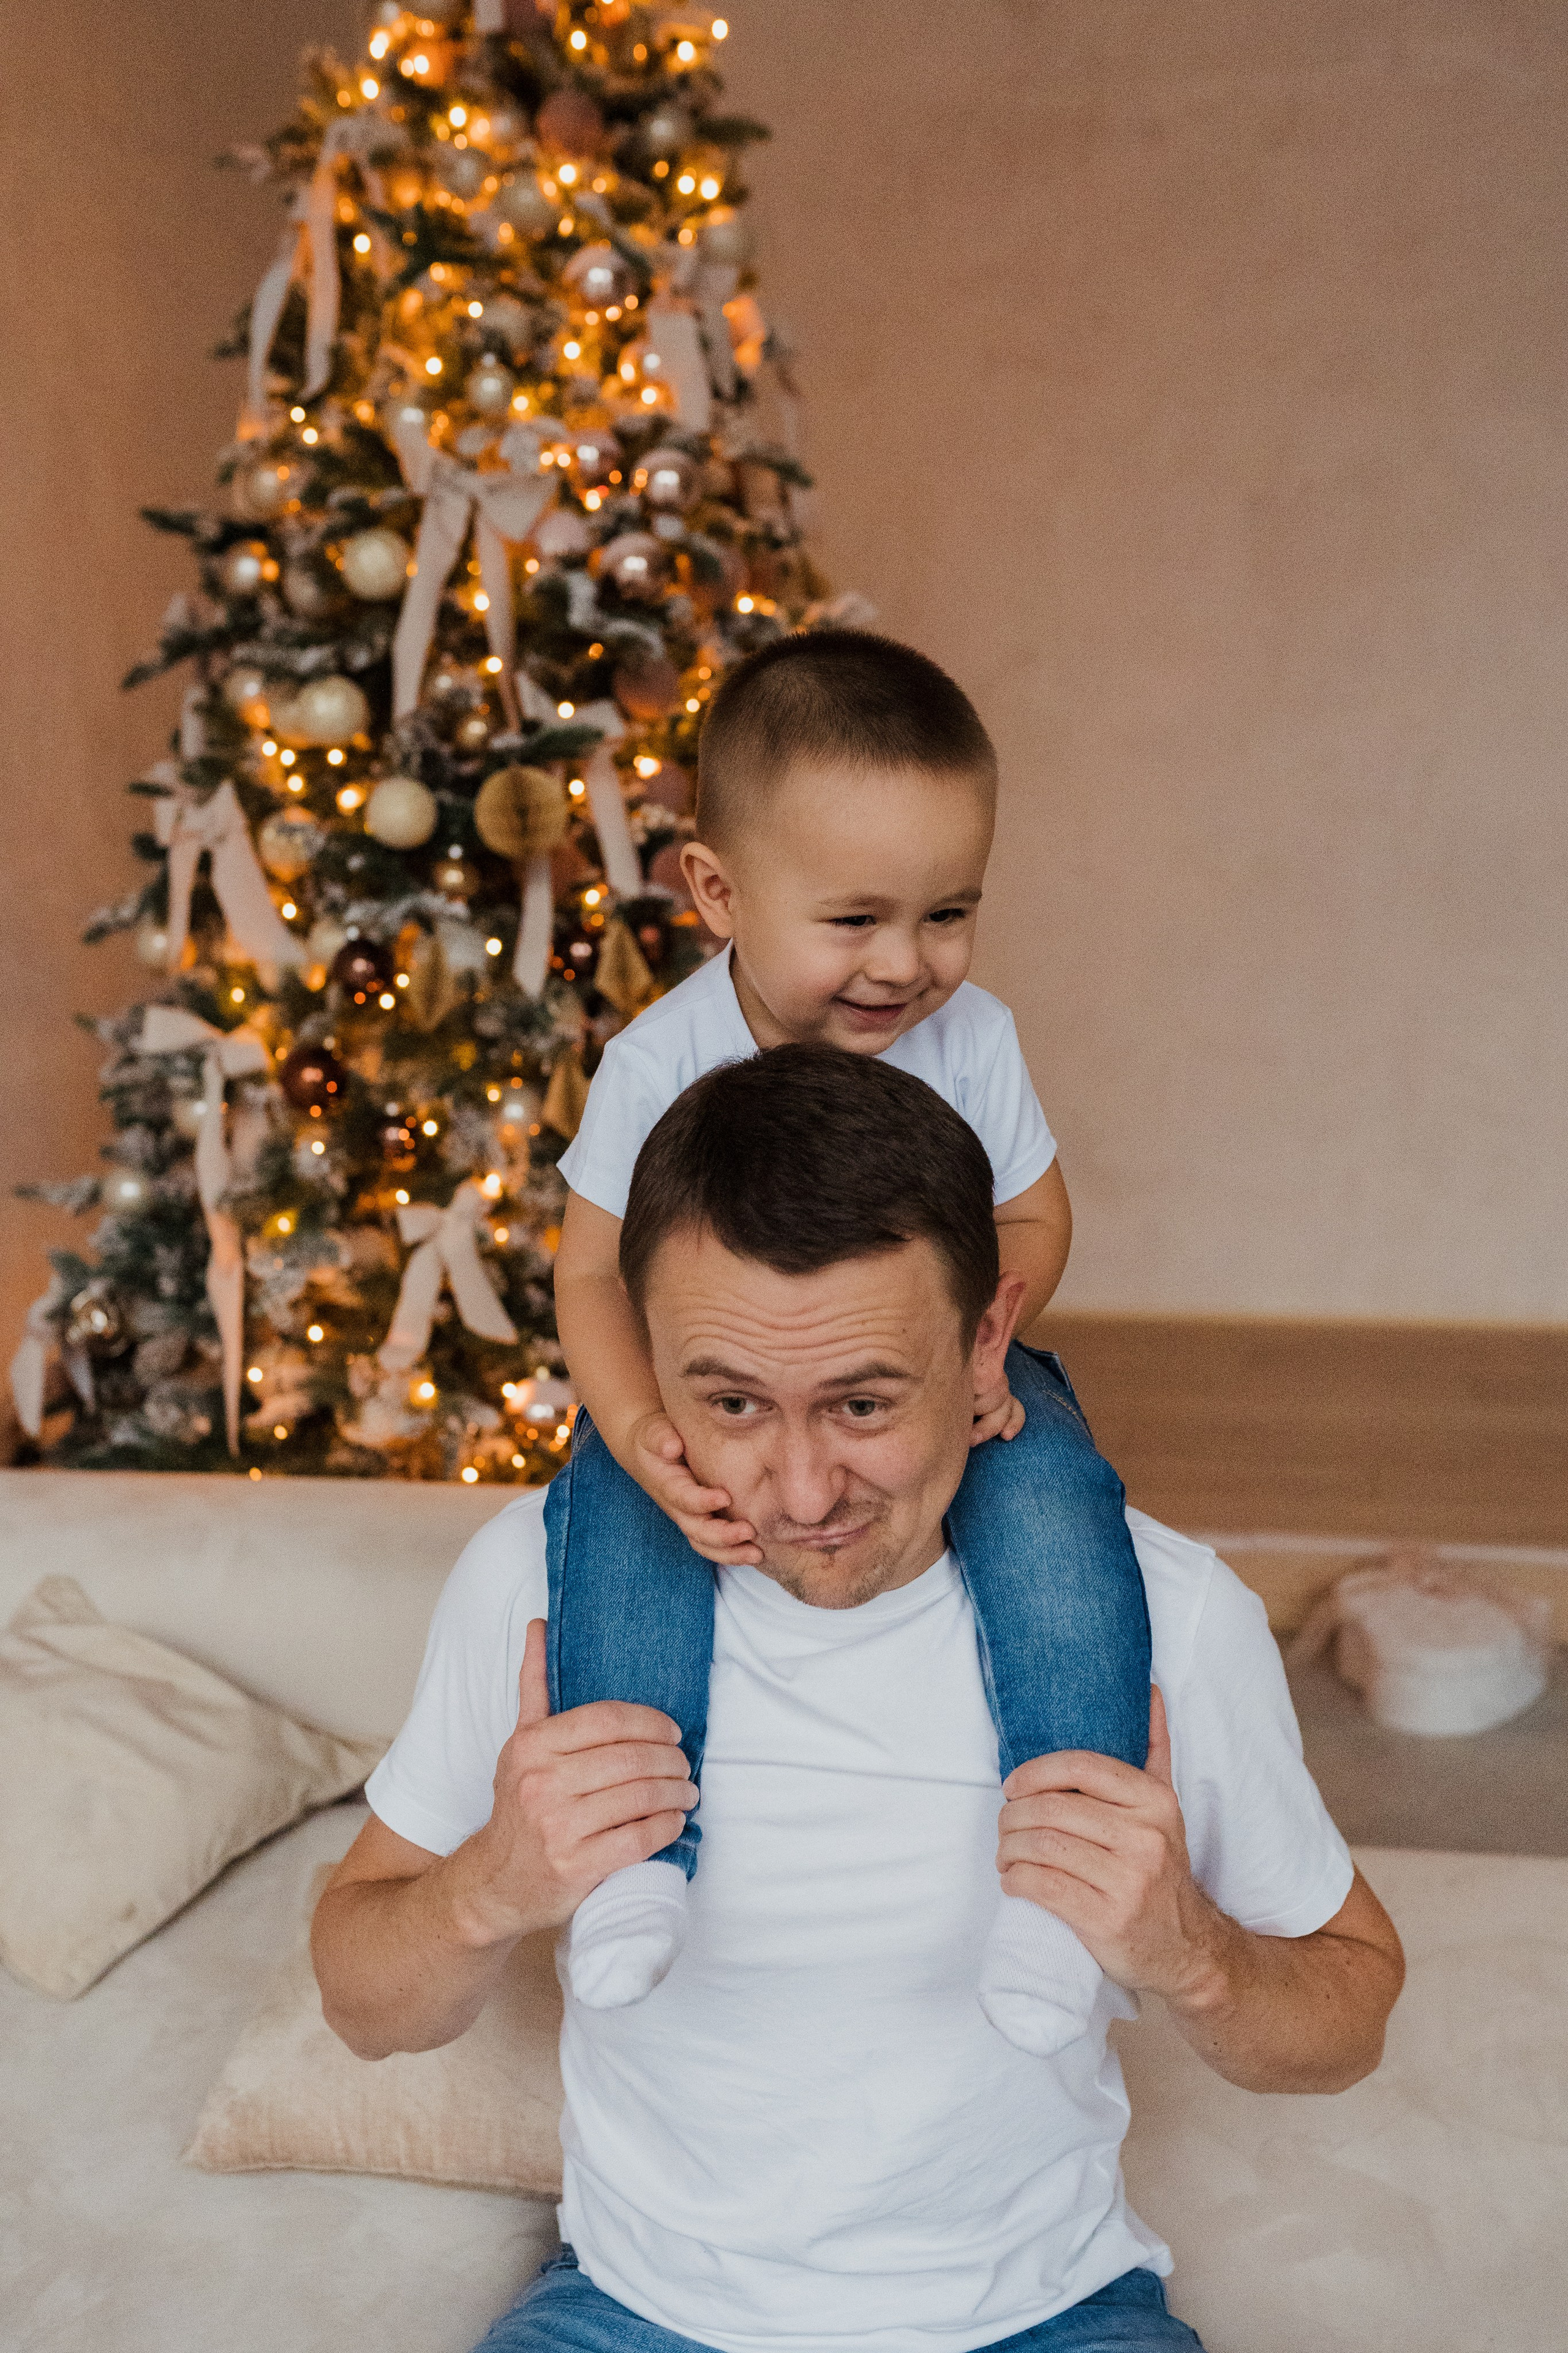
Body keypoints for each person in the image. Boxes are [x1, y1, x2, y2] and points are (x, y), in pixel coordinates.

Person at [312, 1046, 1405, 2353]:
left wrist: (1191, 1951)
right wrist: (487, 1884)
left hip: (1042, 2319)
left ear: (985, 1338)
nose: (802, 1489)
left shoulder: (1162, 1614)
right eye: (728, 1402)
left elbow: (1349, 2012)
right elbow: (360, 1999)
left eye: (861, 1402)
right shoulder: (538, 1586)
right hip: (637, 2312)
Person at [549, 629, 1149, 2056]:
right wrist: (645, 1434)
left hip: (947, 1368)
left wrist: (985, 1349)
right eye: (856, 920)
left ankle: (1059, 1892)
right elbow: (585, 1273)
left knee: (1060, 1507)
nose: (906, 965)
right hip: (708, 1392)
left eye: (947, 914)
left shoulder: (971, 1036)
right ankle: (633, 1870)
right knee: (621, 1539)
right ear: (717, 890)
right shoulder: (656, 1067)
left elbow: (1037, 1214)